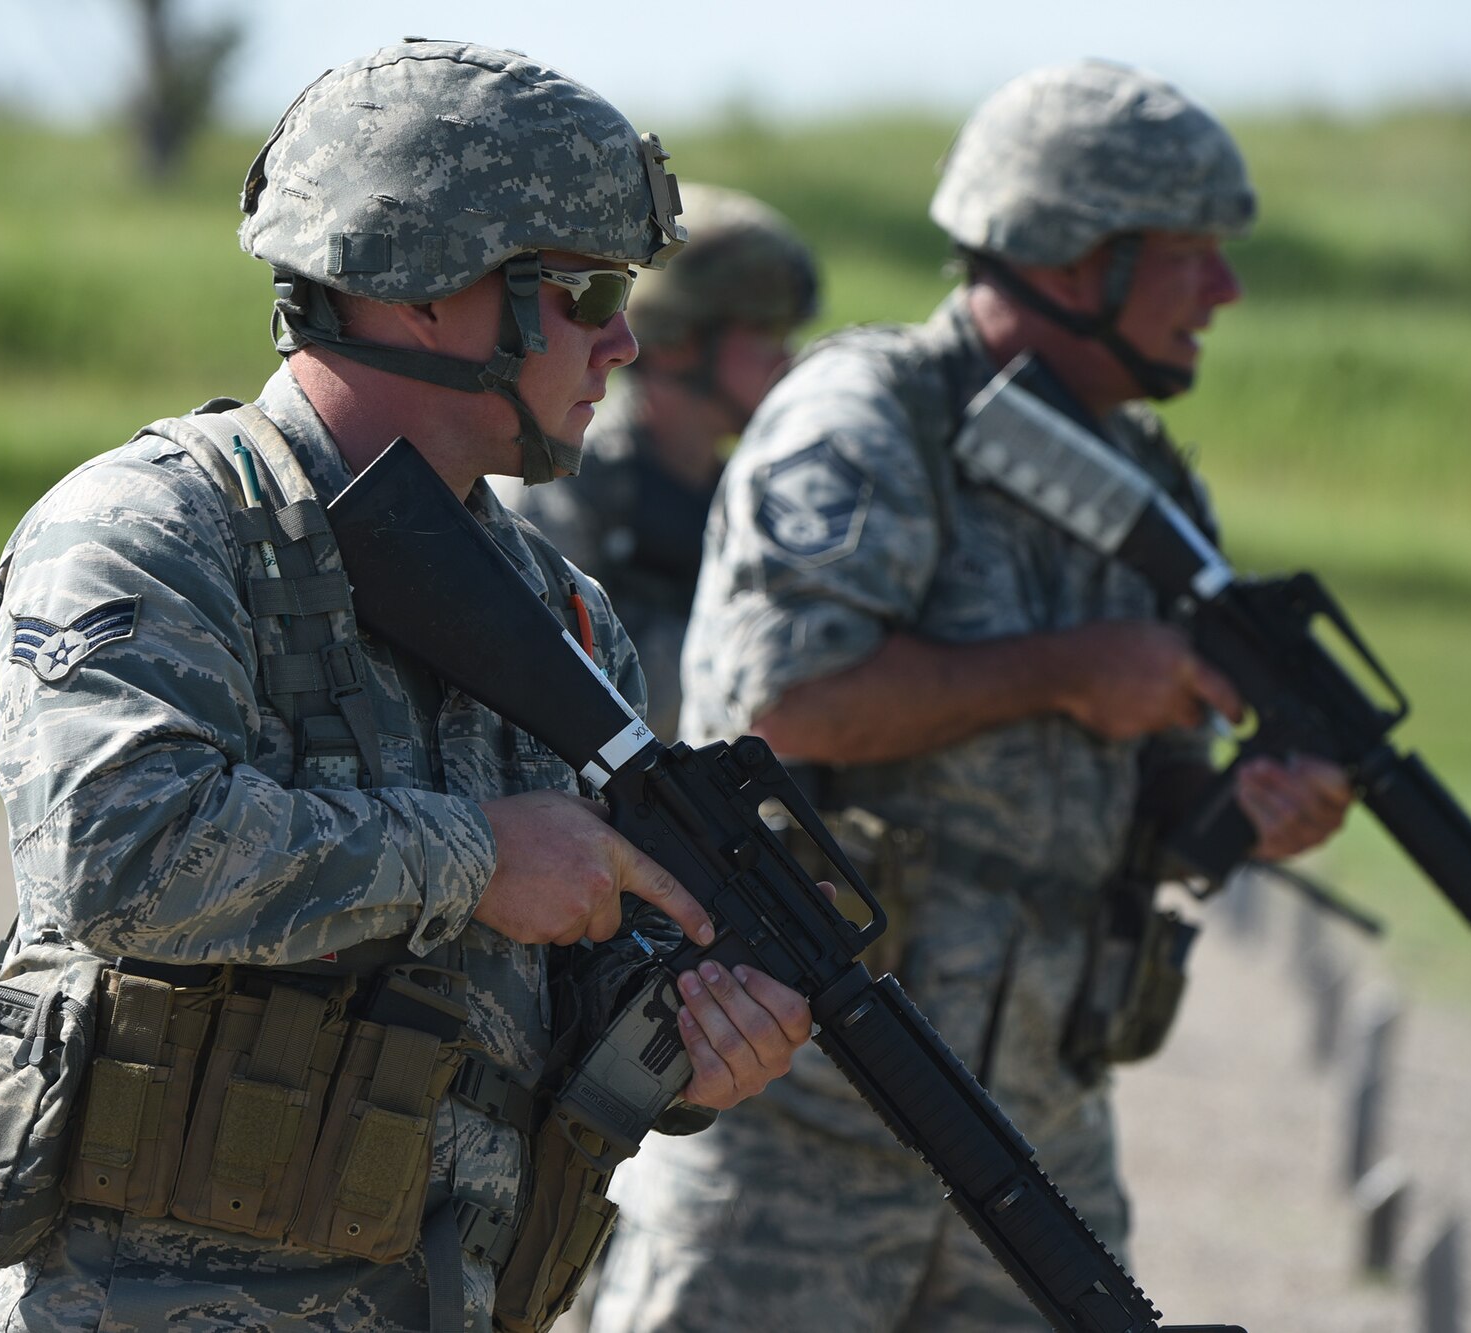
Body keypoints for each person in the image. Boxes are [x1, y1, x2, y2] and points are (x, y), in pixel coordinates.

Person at [0, 40, 815, 1333]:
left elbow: (567, 995)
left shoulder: (562, 612)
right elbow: (114, 850)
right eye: (585, 291)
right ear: (422, 289)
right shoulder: (156, 528)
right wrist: (473, 857)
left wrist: (687, 1037)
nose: (624, 342)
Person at [584, 60, 1353, 1332]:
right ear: (1069, 255)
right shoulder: (866, 419)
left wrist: (1236, 810)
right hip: (803, 1143)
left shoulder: (1148, 480)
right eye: (1188, 253)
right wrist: (1070, 670)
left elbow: (1137, 791)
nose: (1221, 289)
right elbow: (772, 707)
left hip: (1038, 1155)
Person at [502, 184, 819, 738]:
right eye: (768, 334)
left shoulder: (753, 490)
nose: (789, 359)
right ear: (678, 340)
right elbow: (531, 677)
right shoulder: (562, 483)